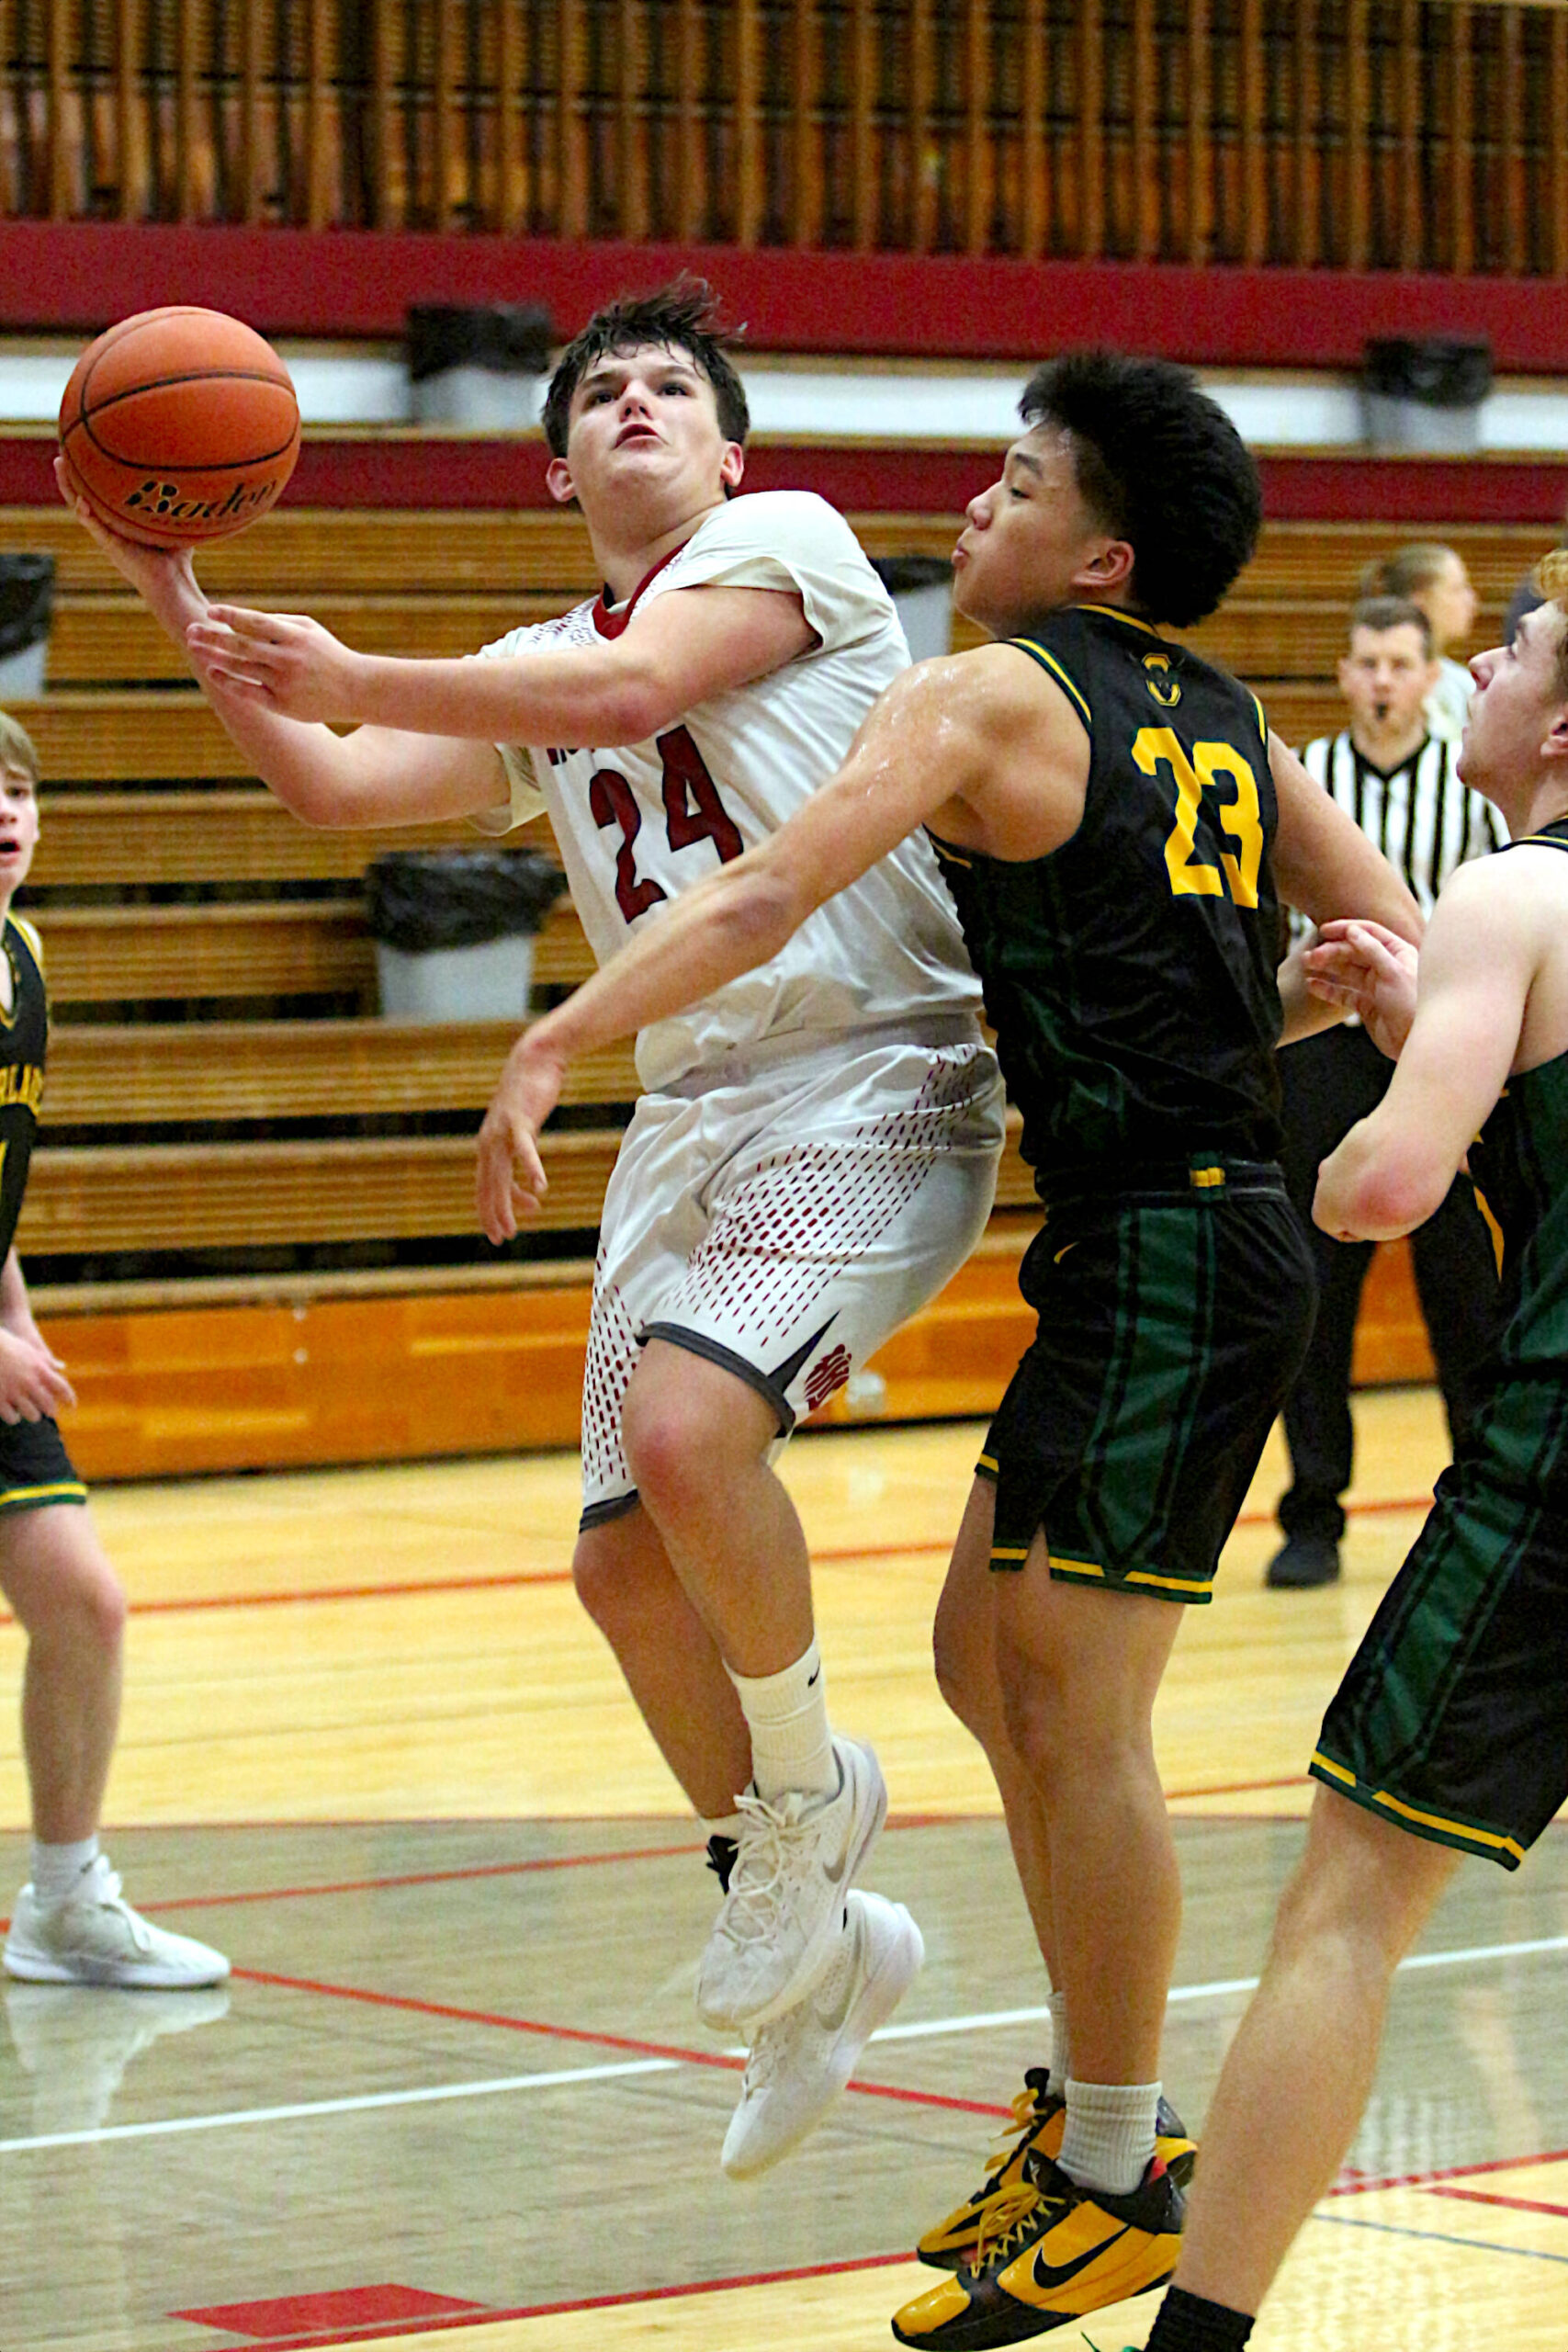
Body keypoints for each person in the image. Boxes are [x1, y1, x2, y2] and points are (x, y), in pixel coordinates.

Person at [467, 351, 1424, 2345]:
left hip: (1175, 1242)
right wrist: (1339, 1006)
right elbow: (1391, 920)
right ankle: (1093, 2119)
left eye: (1010, 482)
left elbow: (763, 883)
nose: (970, 511)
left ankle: (1113, 2161)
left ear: (1101, 551)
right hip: (1151, 1226)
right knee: (981, 1660)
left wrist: (561, 1027)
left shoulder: (987, 687)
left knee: (1074, 1708)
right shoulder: (1227, 717)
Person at [59, 278, 1005, 2173]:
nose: (637, 403)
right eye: (601, 393)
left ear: (728, 449)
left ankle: (810, 1800)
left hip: (874, 1060)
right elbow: (331, 783)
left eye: (674, 387)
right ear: (552, 455)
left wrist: (358, 667)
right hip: (689, 1112)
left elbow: (627, 692)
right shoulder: (526, 655)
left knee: (683, 1435)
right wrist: (163, 570)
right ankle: (816, 1944)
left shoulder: (784, 547)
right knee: (617, 1566)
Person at [1138, 559, 1568, 2352]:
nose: (1479, 654)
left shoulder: (1508, 888)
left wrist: (1333, 1156)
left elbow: (1383, 1187)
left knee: (1340, 1910)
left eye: (1517, 643)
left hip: (1556, 1471)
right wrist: (1434, 1030)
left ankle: (1194, 2340)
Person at [0, 714, 228, 1993]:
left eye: (21, 789)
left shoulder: (21, 955)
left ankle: (65, 1905)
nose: (7, 814)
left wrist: (14, 1309)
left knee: (80, 1605)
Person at [1266, 595, 1502, 1589]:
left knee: (1465, 1289)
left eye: (1400, 664)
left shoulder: (1473, 781)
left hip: (1438, 1041)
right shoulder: (1306, 776)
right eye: (1365, 662)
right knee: (1314, 1288)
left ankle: (1485, 1506)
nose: (1381, 681)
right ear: (1344, 672)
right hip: (1323, 1041)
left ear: (1428, 673)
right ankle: (1312, 1515)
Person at [1358, 541, 1480, 742]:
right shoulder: (1380, 683)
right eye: (1457, 589)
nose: (1472, 600)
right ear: (1420, 603)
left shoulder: (1462, 684)